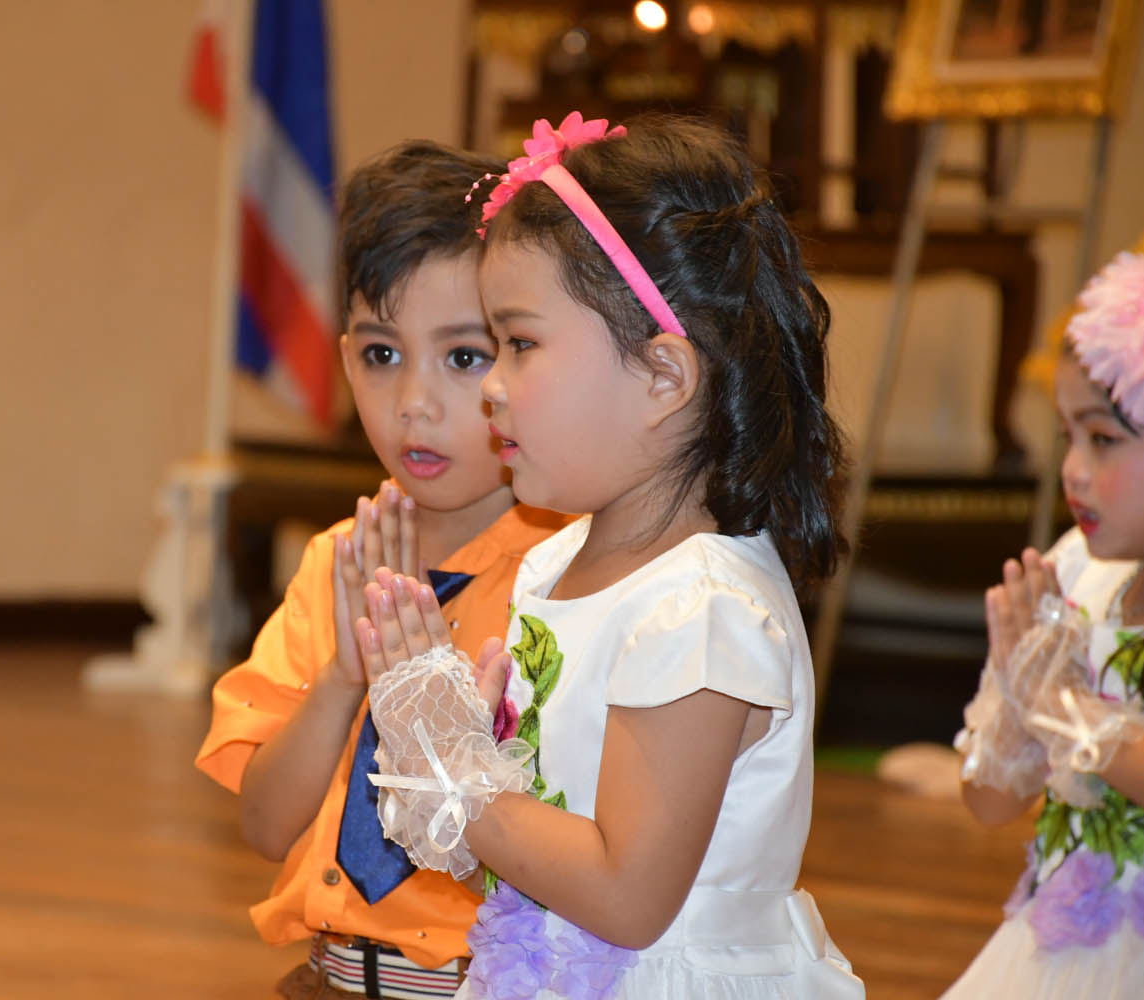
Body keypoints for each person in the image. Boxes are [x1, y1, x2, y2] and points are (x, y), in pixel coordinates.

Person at [343, 113, 864, 998]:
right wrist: (454, 756)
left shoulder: (700, 607)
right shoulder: (555, 567)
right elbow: (532, 850)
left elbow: (626, 897)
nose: (492, 386)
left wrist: (460, 777)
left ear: (663, 376)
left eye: (519, 344)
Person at [194, 139, 569, 1000]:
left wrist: (426, 690)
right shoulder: (338, 561)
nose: (413, 406)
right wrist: (344, 676)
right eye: (381, 354)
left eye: (464, 356)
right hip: (326, 978)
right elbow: (265, 824)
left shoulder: (566, 575)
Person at [947, 249, 1144, 998]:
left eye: (1103, 439)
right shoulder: (1077, 568)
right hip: (1056, 953)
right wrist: (1020, 695)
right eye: (1066, 436)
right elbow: (990, 804)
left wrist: (1071, 707)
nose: (1073, 469)